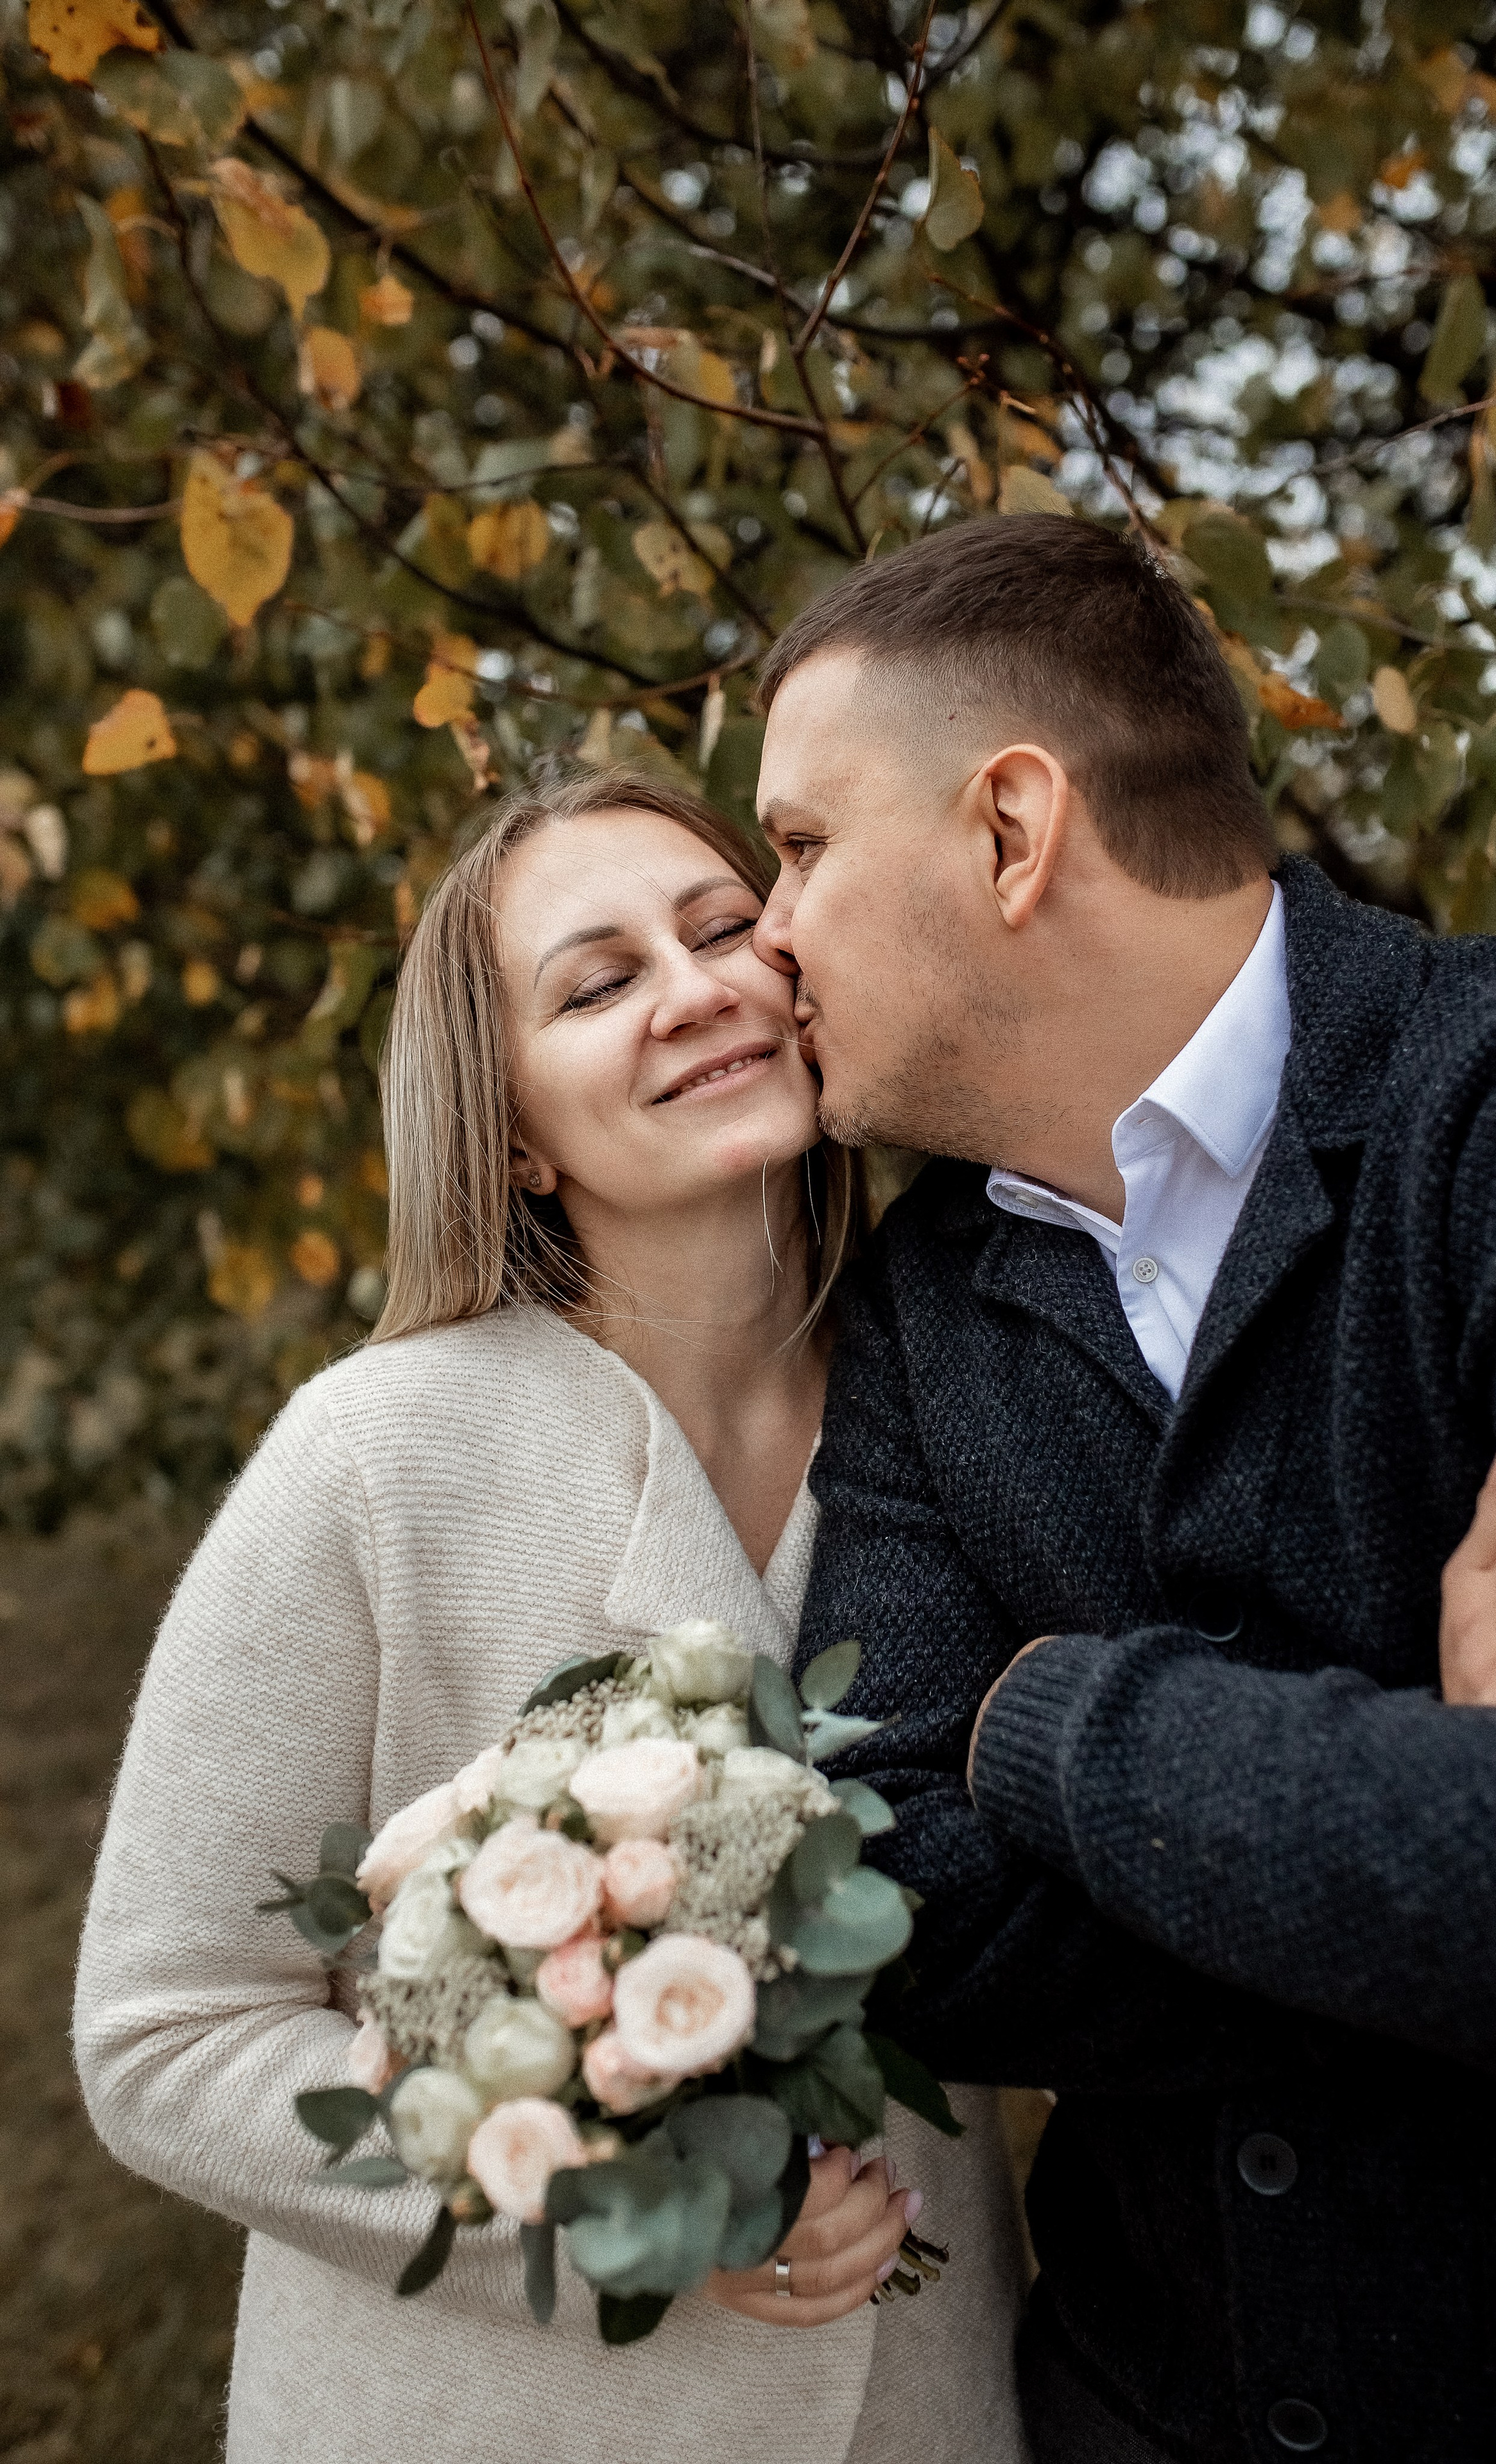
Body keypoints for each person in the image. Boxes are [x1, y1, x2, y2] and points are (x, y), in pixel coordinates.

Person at [753, 516, 1496, 2463]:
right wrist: (1427, 1777)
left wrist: (1057, 1720)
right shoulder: (915, 1296)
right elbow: (892, 1892)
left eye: (803, 847)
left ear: (1009, 831)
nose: (765, 931)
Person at [73, 770, 1032, 2464]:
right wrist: (620, 2212)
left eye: (727, 926)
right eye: (598, 982)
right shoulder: (374, 1458)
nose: (697, 986)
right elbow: (164, 2036)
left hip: (930, 2396)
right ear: (511, 1127)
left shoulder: (969, 1393)